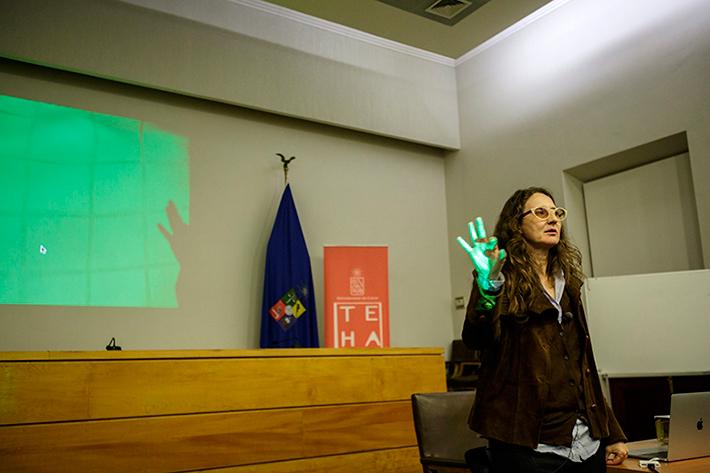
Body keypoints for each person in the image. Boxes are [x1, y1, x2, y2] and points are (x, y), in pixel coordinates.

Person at [456, 187, 628, 473]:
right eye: (540, 212)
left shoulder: (568, 282)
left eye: (557, 213)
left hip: (586, 443)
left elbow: (583, 363)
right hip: (528, 446)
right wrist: (488, 287)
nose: (553, 219)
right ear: (517, 224)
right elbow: (476, 338)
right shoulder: (500, 277)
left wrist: (611, 432)